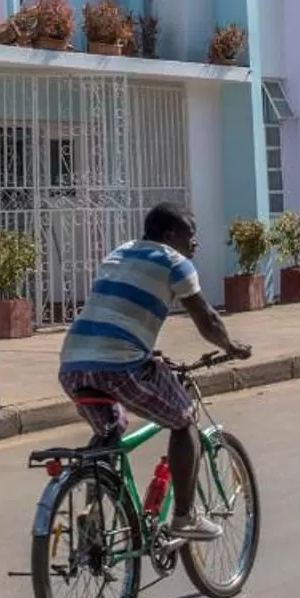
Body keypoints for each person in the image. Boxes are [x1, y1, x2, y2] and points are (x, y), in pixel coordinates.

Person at [58, 202, 252, 541]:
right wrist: (231, 347)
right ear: (170, 235)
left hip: (74, 364)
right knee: (184, 419)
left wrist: (143, 348)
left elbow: (117, 309)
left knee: (110, 428)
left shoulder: (119, 254)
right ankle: (184, 517)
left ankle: (93, 507)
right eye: (190, 236)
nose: (195, 244)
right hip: (120, 365)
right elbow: (207, 319)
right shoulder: (175, 262)